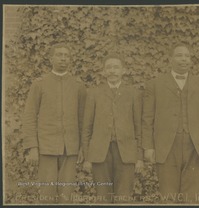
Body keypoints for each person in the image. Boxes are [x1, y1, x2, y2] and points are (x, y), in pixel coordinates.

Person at [142, 43, 199, 203]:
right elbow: (147, 119)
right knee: (168, 195)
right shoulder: (155, 84)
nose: (183, 59)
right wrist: (148, 147)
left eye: (187, 56)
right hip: (166, 147)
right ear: (170, 59)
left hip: (195, 147)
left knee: (191, 197)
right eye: (179, 55)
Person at [22, 43, 86, 203]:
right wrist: (33, 147)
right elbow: (29, 116)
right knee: (47, 195)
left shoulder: (78, 86)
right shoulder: (40, 84)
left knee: (66, 196)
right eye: (59, 55)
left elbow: (83, 119)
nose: (63, 58)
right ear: (51, 59)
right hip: (46, 148)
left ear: (70, 60)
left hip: (70, 149)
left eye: (66, 55)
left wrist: (82, 147)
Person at [81, 54, 143, 203]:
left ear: (123, 70)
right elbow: (86, 128)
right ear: (103, 72)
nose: (112, 71)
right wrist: (88, 156)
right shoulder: (94, 93)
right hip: (100, 153)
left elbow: (139, 127)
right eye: (109, 67)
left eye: (116, 67)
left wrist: (139, 157)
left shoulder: (133, 93)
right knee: (103, 197)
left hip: (126, 153)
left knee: (124, 197)